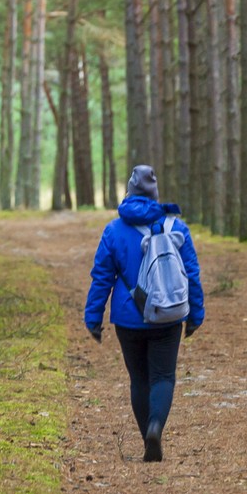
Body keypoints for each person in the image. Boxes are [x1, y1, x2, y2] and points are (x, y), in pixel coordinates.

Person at [84, 165, 205, 462]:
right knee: (163, 375)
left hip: (129, 318)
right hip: (169, 313)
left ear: (129, 193)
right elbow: (191, 273)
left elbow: (101, 277)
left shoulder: (113, 230)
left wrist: (93, 317)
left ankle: (146, 438)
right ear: (155, 195)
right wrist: (196, 314)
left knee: (139, 379)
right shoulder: (176, 227)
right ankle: (155, 426)